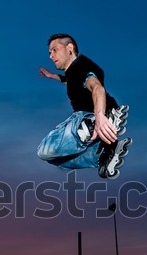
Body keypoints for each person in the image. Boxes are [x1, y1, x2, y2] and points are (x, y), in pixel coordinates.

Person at [37, 33, 131, 179]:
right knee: (55, 159)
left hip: (88, 114)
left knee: (45, 148)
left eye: (54, 50)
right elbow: (67, 80)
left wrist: (99, 116)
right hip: (91, 116)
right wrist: (52, 76)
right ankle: (102, 153)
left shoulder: (81, 66)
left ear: (69, 48)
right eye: (49, 53)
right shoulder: (72, 73)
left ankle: (93, 124)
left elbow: (97, 88)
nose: (51, 56)